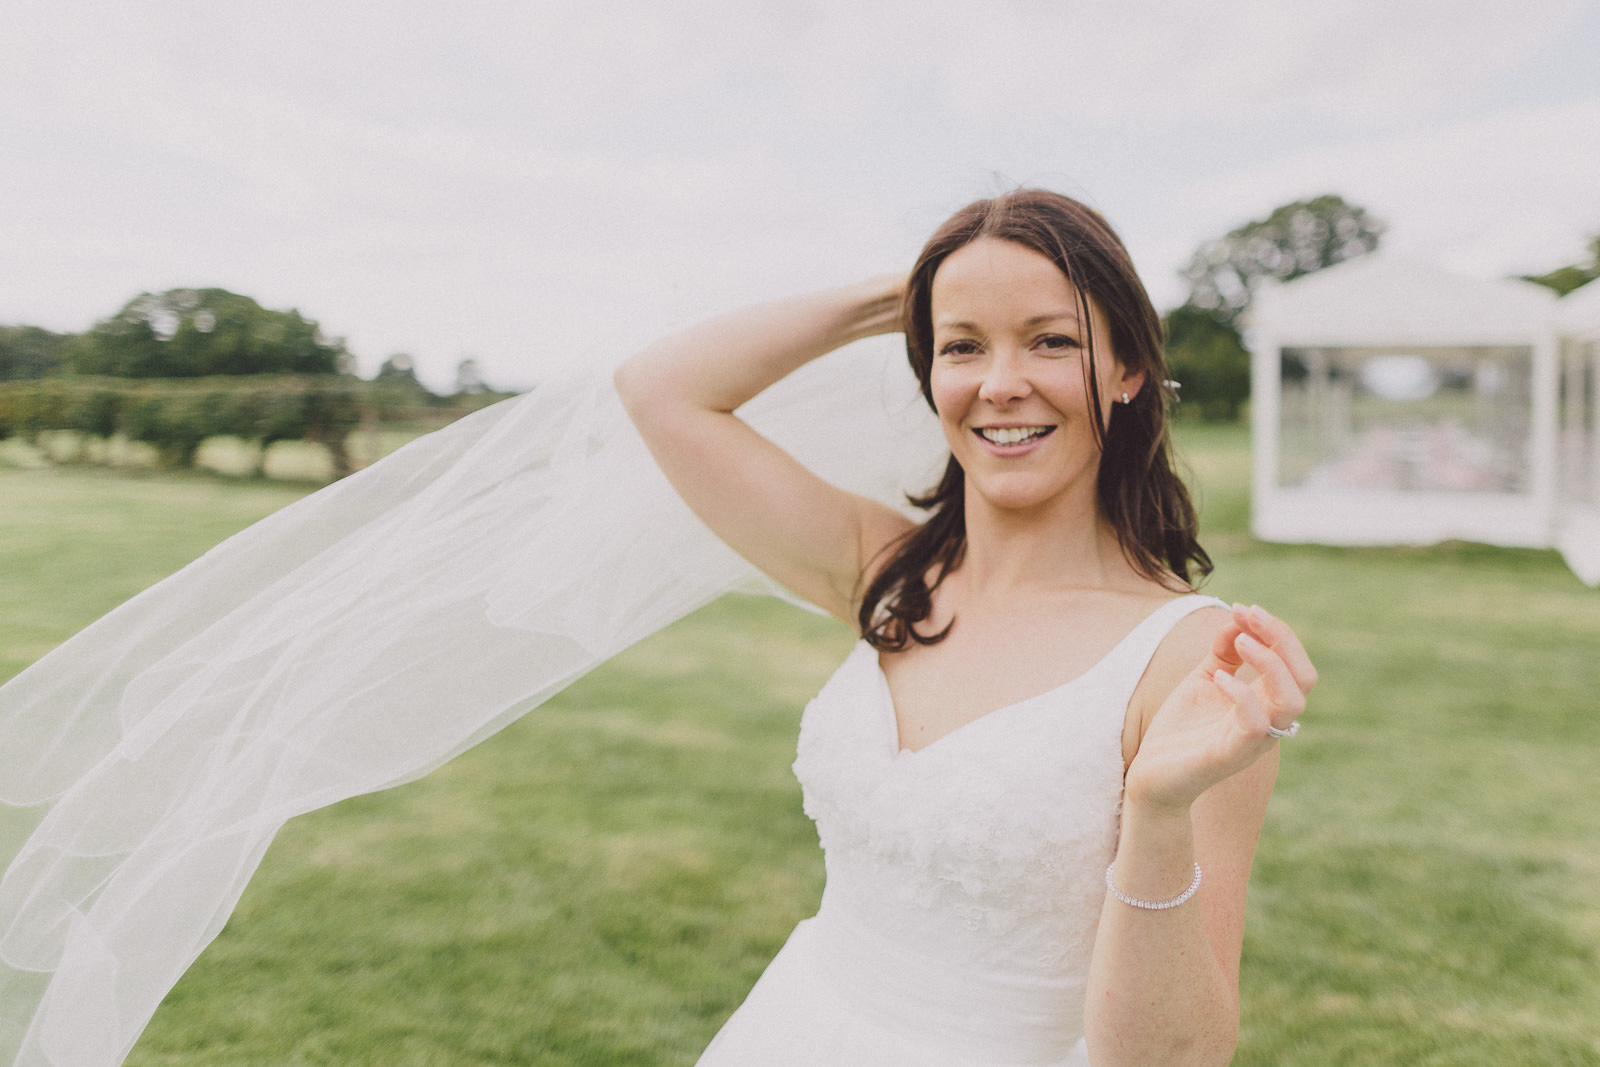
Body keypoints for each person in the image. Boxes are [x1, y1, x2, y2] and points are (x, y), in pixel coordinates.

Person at [615, 188, 1317, 1066]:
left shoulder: (1187, 664)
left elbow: (1174, 1058)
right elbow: (659, 390)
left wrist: (1159, 812)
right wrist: (901, 295)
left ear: (1129, 368)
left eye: (1051, 339)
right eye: (963, 346)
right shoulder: (886, 574)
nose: (1000, 383)